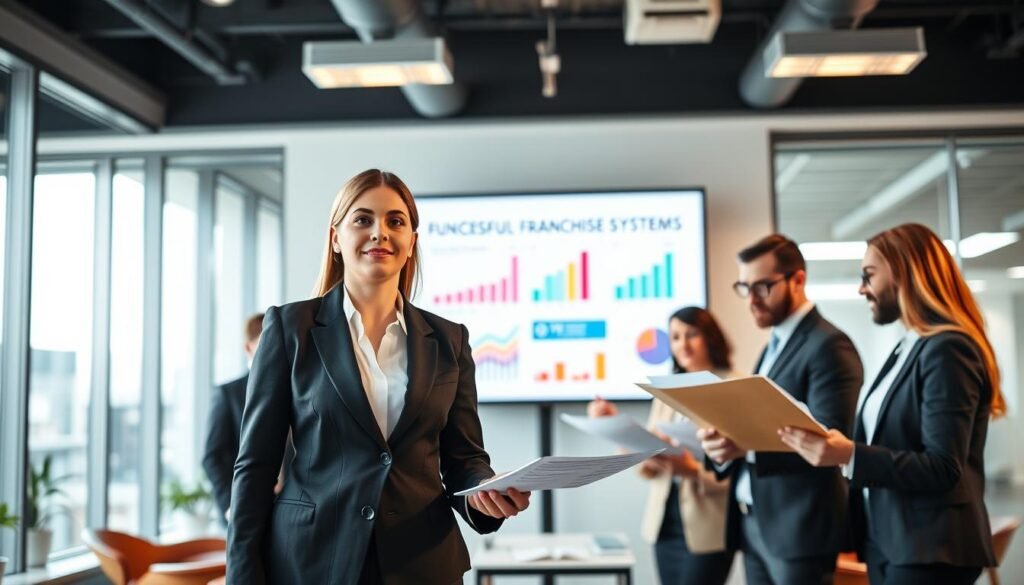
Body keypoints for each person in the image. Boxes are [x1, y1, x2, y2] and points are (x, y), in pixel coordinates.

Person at [226, 169, 530, 585]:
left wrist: (486, 492)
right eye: (363, 219)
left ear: (412, 243)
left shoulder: (449, 339)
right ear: (335, 238)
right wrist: (242, 576)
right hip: (311, 562)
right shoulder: (289, 329)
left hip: (422, 564)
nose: (380, 233)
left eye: (395, 221)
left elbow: (464, 462)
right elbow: (255, 467)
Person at [779, 223, 1002, 585]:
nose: (861, 288)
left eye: (869, 275)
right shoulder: (909, 345)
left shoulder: (947, 348)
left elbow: (943, 467)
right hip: (892, 542)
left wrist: (849, 455)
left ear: (906, 273)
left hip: (930, 549)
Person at [699, 234, 863, 585]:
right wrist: (726, 446)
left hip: (799, 530)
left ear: (798, 280)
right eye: (745, 288)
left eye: (762, 287)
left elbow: (828, 440)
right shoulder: (774, 345)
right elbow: (762, 425)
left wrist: (746, 445)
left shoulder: (829, 346)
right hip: (756, 523)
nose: (751, 301)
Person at [589, 306, 737, 585]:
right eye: (676, 337)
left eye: (692, 334)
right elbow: (651, 449)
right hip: (665, 524)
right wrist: (618, 426)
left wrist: (692, 471)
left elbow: (743, 469)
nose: (683, 344)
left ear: (711, 338)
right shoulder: (667, 390)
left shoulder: (732, 386)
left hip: (709, 526)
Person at [202, 312, 265, 523]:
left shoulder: (295, 389)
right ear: (249, 347)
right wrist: (230, 506)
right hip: (243, 510)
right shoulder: (228, 394)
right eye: (267, 342)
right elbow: (212, 457)